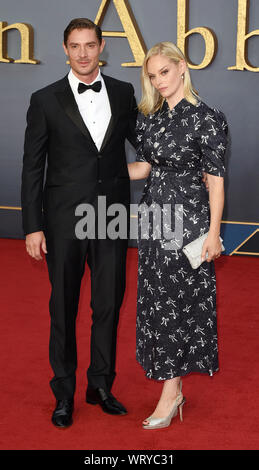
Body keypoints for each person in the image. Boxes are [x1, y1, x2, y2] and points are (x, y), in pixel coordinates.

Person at [21, 18, 137, 428]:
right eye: (76, 46)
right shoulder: (45, 99)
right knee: (63, 306)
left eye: (90, 45)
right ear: (65, 49)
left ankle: (101, 385)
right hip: (64, 220)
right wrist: (33, 226)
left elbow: (145, 144)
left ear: (102, 46)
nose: (84, 53)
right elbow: (32, 167)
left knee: (108, 303)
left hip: (112, 217)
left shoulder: (124, 93)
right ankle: (64, 392)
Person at [128, 42, 228, 430]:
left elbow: (217, 182)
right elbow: (144, 167)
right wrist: (98, 173)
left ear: (182, 68)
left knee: (180, 304)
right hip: (154, 222)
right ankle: (173, 385)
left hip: (189, 224)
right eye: (152, 76)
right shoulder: (148, 117)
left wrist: (214, 234)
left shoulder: (208, 118)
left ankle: (170, 394)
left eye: (164, 73)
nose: (159, 81)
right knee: (157, 303)